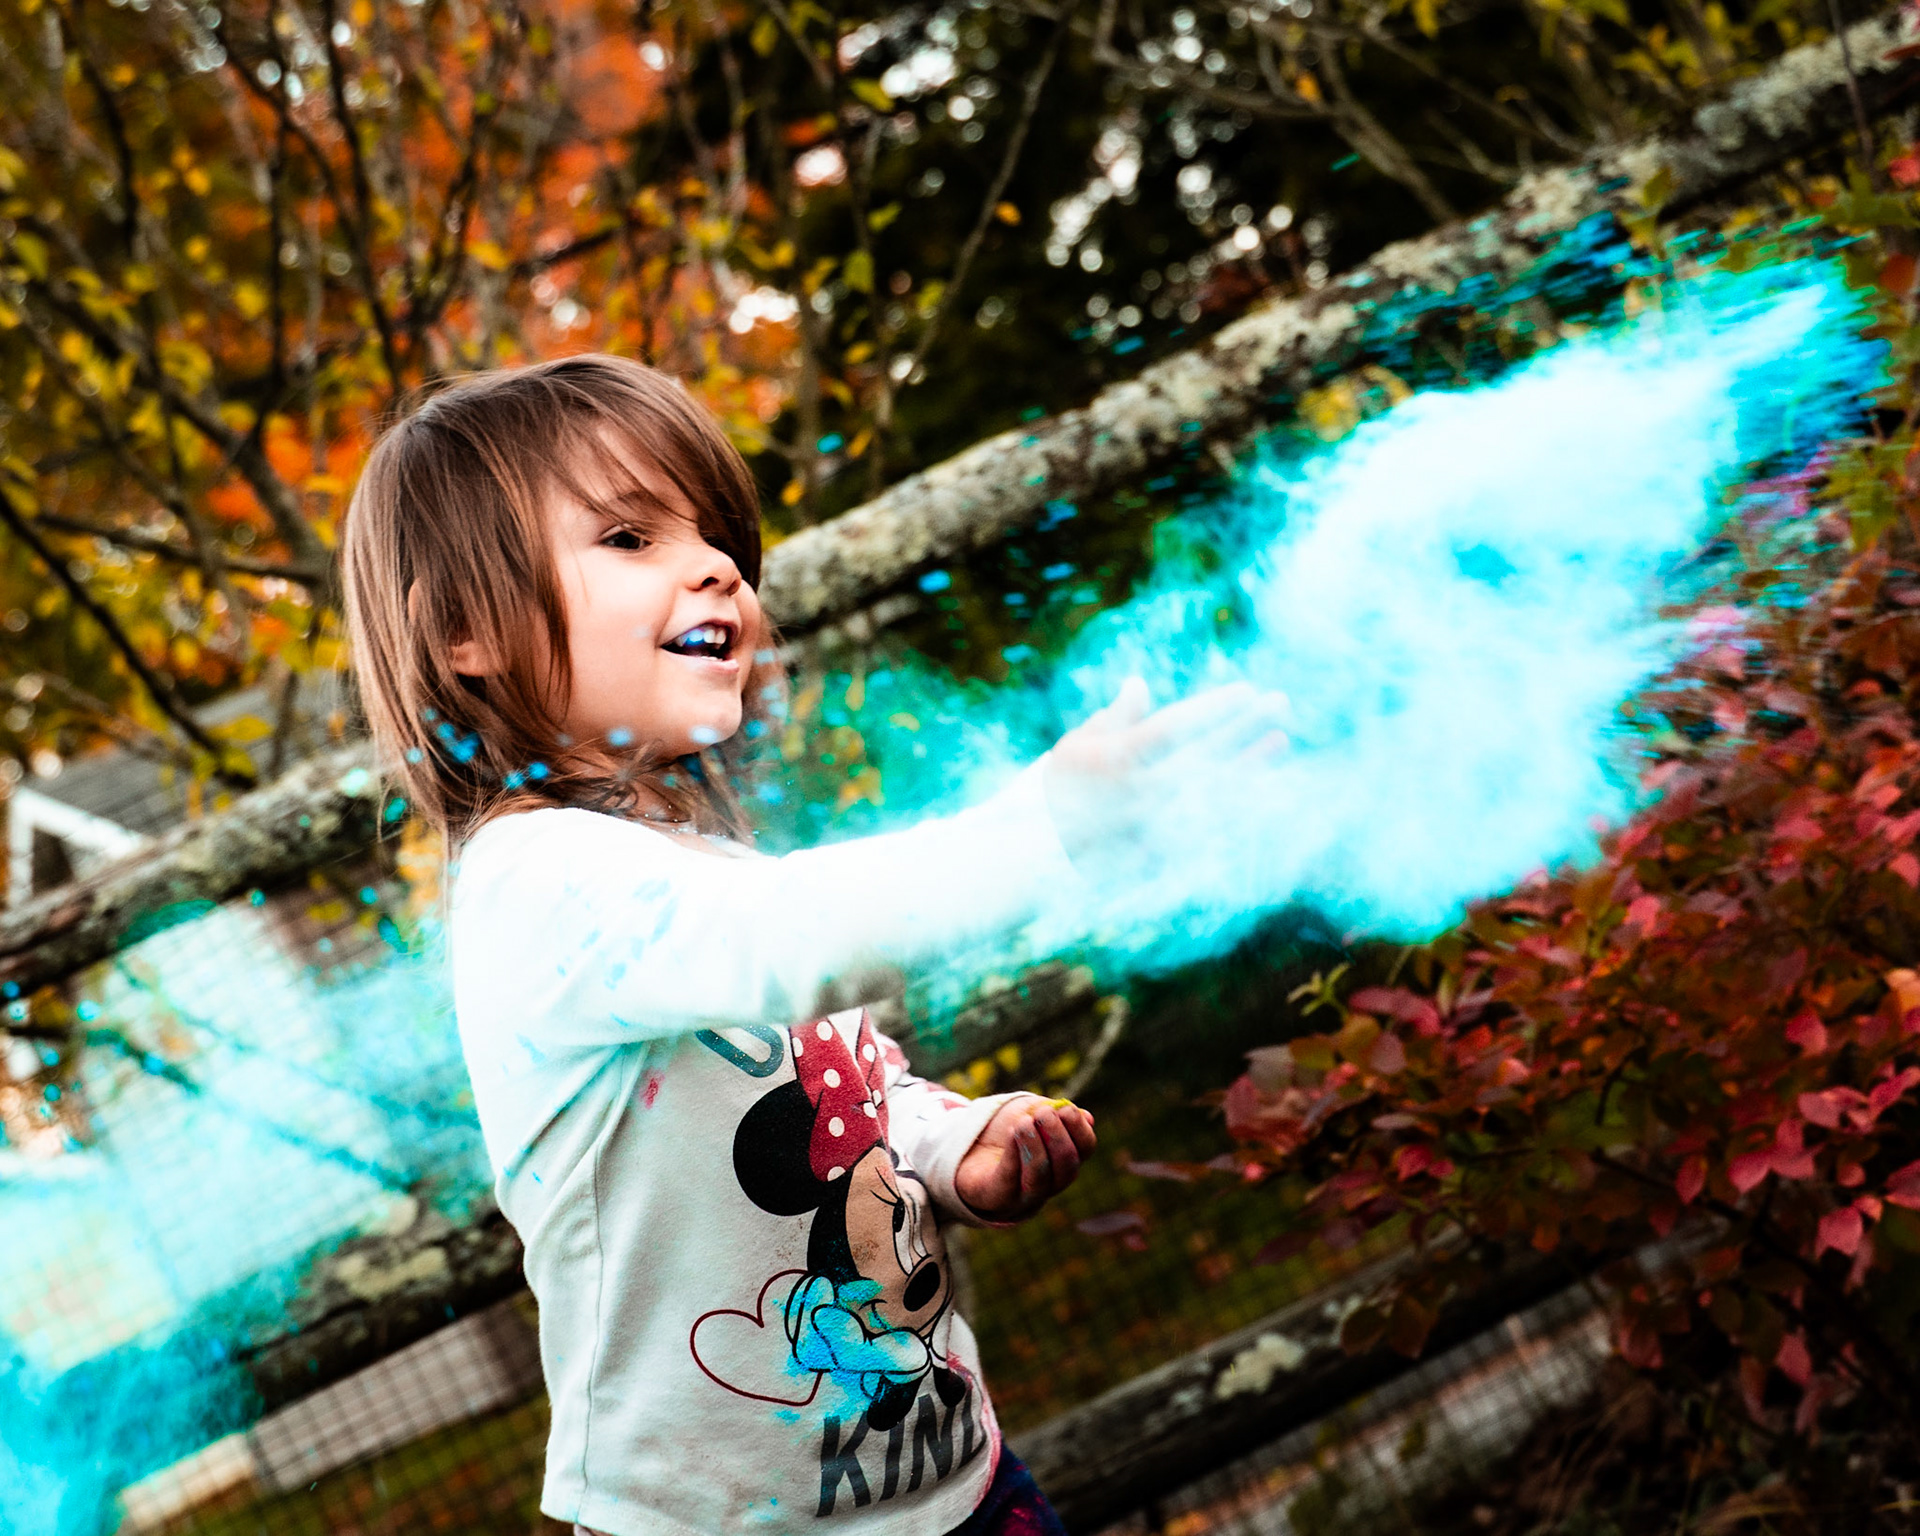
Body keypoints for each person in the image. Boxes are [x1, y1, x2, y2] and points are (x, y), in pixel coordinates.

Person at [341, 354, 1288, 1536]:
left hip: (957, 1488)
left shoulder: (709, 868)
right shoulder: (534, 887)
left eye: (715, 536)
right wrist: (1043, 828)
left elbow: (838, 1087)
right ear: (466, 632)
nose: (718, 568)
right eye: (630, 537)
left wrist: (952, 1147)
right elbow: (798, 943)